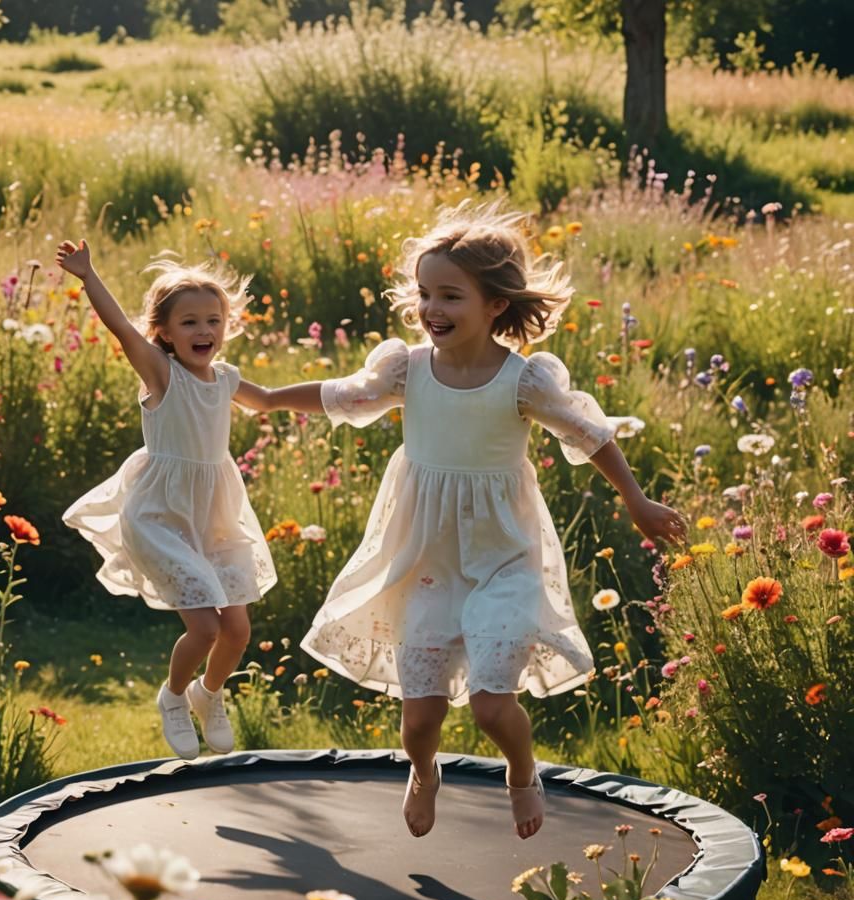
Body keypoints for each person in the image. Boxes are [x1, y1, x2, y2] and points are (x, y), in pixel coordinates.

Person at [239, 202, 688, 841]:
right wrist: (264, 398)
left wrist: (638, 502)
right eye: (425, 294)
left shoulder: (524, 382)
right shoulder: (408, 370)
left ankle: (521, 772)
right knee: (419, 720)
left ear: (495, 305)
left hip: (503, 557)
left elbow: (592, 437)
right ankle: (423, 772)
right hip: (423, 560)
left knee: (488, 704)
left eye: (450, 296)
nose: (431, 309)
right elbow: (341, 393)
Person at [56, 240, 277, 761]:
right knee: (204, 627)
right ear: (165, 332)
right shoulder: (162, 374)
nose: (204, 332)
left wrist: (359, 392)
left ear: (227, 325)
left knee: (237, 630)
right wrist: (88, 276)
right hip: (161, 516)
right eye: (190, 323)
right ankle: (174, 697)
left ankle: (209, 694)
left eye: (213, 321)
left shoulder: (225, 378)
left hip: (216, 513)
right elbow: (120, 329)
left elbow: (269, 401)